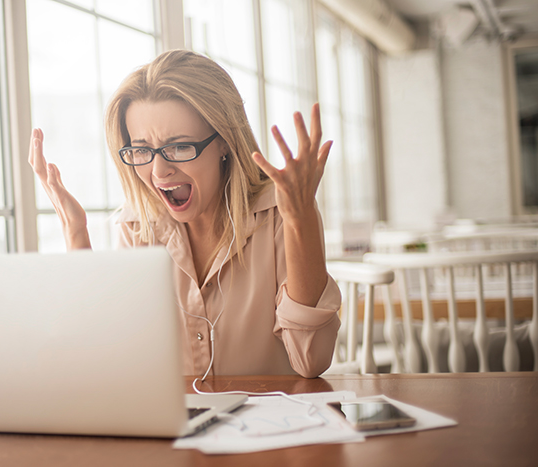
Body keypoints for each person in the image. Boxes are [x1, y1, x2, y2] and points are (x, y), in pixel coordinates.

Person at [29, 50, 341, 379]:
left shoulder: (284, 212)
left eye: (179, 147)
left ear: (224, 143)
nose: (159, 170)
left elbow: (312, 361)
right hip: (176, 428)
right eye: (142, 150)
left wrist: (300, 221)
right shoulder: (138, 228)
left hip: (273, 425)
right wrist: (76, 233)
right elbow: (112, 361)